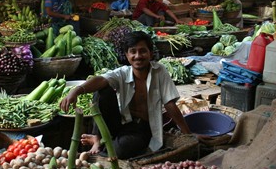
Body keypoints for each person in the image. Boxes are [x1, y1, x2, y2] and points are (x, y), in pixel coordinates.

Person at [59, 31, 193, 159]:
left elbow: (170, 104)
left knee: (121, 149)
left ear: (151, 53)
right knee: (102, 90)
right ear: (127, 55)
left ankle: (104, 142)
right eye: (133, 51)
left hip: (142, 128)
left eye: (142, 51)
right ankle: (98, 137)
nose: (138, 56)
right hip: (120, 122)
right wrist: (75, 91)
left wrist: (189, 135)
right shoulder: (122, 73)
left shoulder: (159, 72)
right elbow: (101, 79)